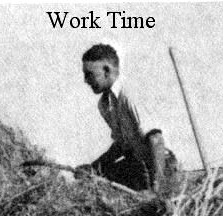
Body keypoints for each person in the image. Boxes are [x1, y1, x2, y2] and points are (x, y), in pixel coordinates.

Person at [76, 43, 178, 196]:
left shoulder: (129, 93)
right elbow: (121, 147)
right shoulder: (105, 104)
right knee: (95, 183)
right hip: (138, 166)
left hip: (161, 167)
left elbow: (156, 140)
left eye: (89, 74)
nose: (85, 80)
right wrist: (94, 168)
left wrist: (157, 188)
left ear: (106, 71)